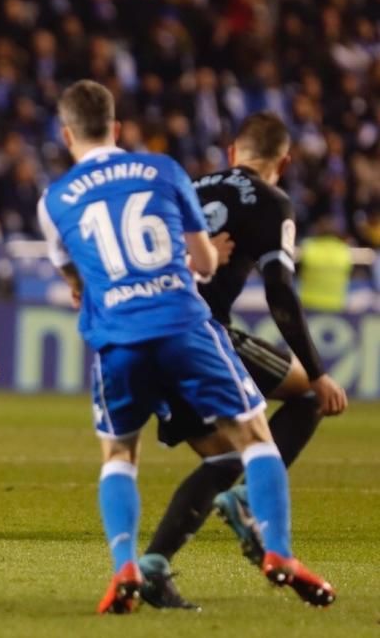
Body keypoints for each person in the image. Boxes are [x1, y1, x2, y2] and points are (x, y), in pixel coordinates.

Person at [38, 81, 335, 614]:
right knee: (263, 433)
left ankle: (135, 564)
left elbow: (78, 281)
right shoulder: (163, 171)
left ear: (65, 134)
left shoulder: (55, 198)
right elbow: (209, 266)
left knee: (126, 456)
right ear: (118, 128)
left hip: (119, 337)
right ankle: (272, 540)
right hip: (189, 328)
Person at [138, 112, 348, 609]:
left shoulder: (184, 186)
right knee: (306, 398)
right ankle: (253, 502)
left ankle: (153, 568)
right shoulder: (272, 202)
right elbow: (279, 291)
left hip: (143, 338)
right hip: (200, 334)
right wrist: (318, 372)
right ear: (284, 161)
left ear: (233, 152)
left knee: (223, 458)